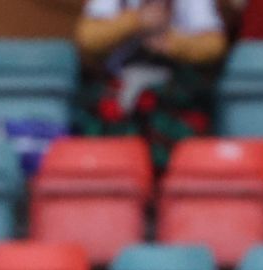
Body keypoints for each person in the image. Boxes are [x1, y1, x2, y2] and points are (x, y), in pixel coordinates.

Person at [74, 1, 228, 169]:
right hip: (118, 85)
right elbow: (89, 39)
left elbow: (213, 45)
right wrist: (136, 20)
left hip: (174, 89)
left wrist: (173, 44)